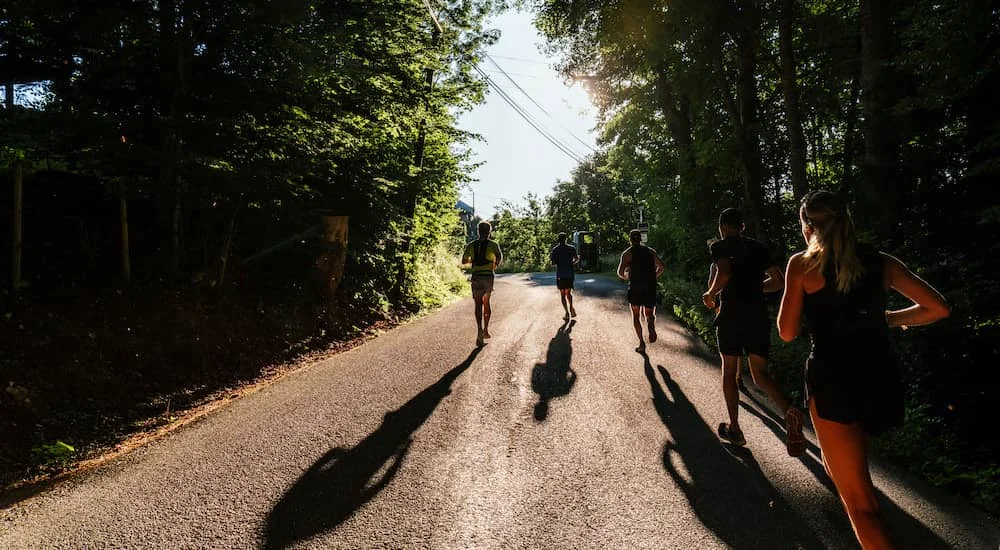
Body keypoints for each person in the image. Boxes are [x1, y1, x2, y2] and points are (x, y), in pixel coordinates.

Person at [777, 191, 950, 549]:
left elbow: (787, 331)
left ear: (808, 226)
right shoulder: (879, 261)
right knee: (839, 474)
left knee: (861, 506)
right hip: (879, 378)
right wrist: (888, 319)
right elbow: (937, 308)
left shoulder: (802, 265)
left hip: (833, 383)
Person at [702, 208, 805, 454]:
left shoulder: (720, 246)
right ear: (743, 227)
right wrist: (754, 289)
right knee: (760, 374)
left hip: (731, 317)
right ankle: (790, 411)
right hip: (758, 317)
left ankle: (735, 428)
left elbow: (724, 273)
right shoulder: (758, 248)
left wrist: (710, 293)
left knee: (729, 372)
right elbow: (778, 281)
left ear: (722, 227)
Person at [617, 229, 665, 353]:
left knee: (636, 315)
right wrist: (653, 276)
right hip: (650, 286)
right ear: (641, 239)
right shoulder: (650, 252)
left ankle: (641, 344)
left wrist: (627, 277)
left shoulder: (627, 253)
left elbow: (620, 272)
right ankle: (650, 322)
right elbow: (661, 267)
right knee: (649, 312)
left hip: (635, 287)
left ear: (630, 239)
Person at [461, 221, 503, 347]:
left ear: (478, 231)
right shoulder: (493, 244)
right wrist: (494, 265)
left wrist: (472, 261)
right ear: (489, 232)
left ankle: (479, 329)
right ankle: (486, 330)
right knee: (486, 302)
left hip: (476, 277)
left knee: (478, 304)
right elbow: (499, 257)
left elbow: (464, 261)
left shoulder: (471, 245)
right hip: (488, 277)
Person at [550, 232, 580, 319]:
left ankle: (566, 313)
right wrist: (571, 263)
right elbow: (577, 259)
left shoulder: (555, 250)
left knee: (563, 294)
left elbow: (553, 263)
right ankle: (571, 307)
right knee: (569, 293)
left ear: (558, 240)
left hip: (560, 275)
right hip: (569, 274)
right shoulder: (571, 248)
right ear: (566, 239)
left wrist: (560, 263)